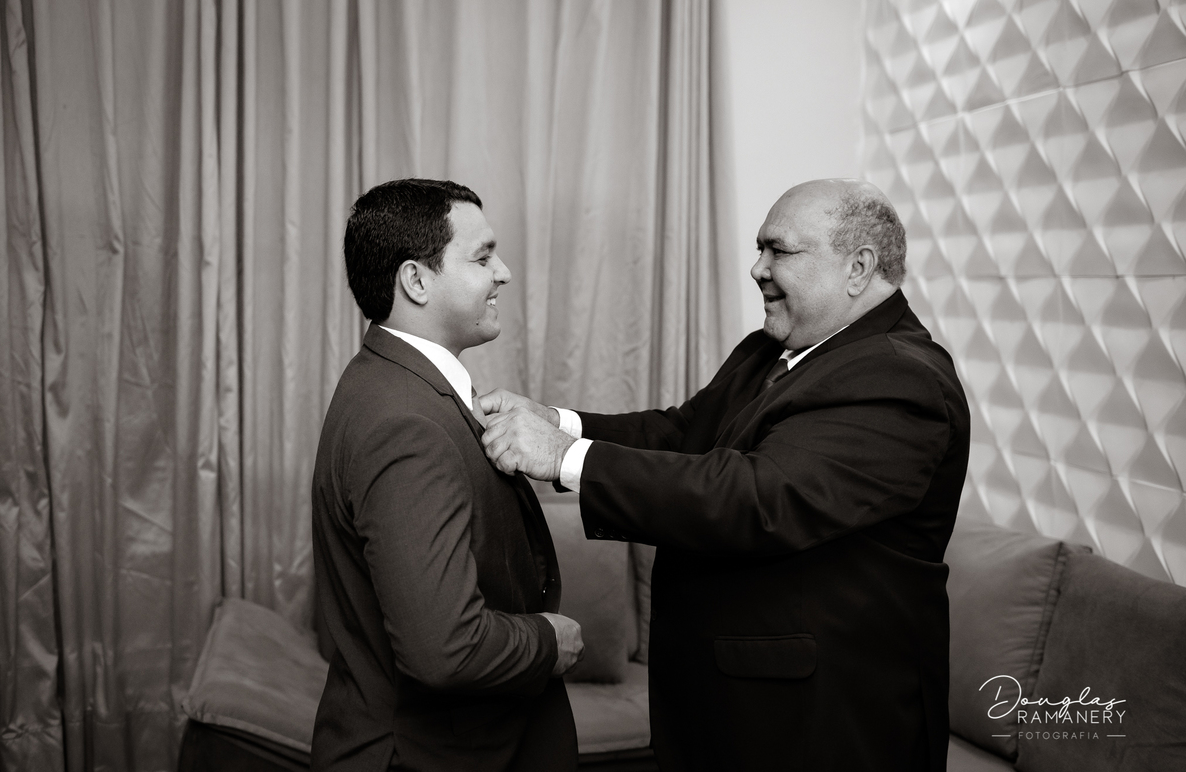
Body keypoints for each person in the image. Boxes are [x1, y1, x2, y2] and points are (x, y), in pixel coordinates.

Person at [480, 179, 970, 771]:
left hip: (818, 722)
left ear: (858, 267)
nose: (757, 268)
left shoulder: (900, 377)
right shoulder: (770, 348)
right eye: (759, 248)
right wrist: (558, 422)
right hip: (730, 704)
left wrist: (564, 457)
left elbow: (759, 497)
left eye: (778, 250)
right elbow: (683, 433)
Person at [311, 178, 583, 771]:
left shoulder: (396, 385)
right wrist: (547, 641)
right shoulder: (405, 422)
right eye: (483, 258)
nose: (503, 273)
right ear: (416, 281)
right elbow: (444, 647)